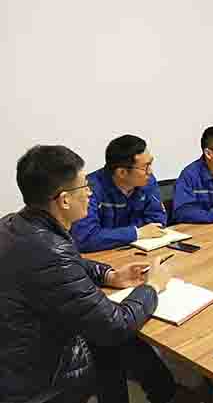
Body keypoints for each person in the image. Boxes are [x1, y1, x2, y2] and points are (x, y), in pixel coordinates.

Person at [0, 145, 182, 403]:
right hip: (39, 373)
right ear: (64, 200)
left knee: (124, 346)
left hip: (17, 347)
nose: (90, 192)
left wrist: (109, 275)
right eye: (84, 186)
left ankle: (164, 391)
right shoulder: (50, 250)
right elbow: (115, 324)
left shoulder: (18, 224)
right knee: (118, 342)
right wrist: (152, 286)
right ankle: (166, 393)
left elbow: (70, 262)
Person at [71, 135, 167, 252]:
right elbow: (86, 238)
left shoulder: (147, 181)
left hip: (138, 249)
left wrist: (111, 235)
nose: (150, 171)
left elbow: (157, 221)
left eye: (150, 164)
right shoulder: (88, 189)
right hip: (102, 256)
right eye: (145, 167)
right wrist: (137, 233)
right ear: (122, 172)